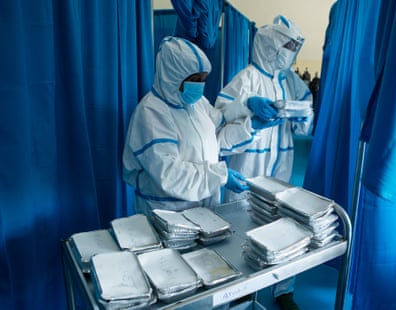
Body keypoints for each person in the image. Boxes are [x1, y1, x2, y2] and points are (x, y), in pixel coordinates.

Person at [215, 15, 314, 310]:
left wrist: (301, 115)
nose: (291, 52)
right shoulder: (245, 78)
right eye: (287, 45)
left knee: (284, 221)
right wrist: (248, 107)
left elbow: (305, 119)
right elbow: (220, 116)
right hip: (248, 163)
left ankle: (284, 288)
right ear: (270, 46)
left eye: (295, 47)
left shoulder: (289, 80)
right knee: (243, 222)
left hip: (281, 161)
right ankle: (240, 290)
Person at [122, 36, 253, 216]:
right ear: (172, 75)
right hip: (168, 211)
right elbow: (169, 174)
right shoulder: (151, 112)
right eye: (194, 78)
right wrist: (220, 176)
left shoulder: (195, 102)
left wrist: (247, 108)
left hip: (204, 203)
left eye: (203, 78)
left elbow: (218, 118)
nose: (199, 85)